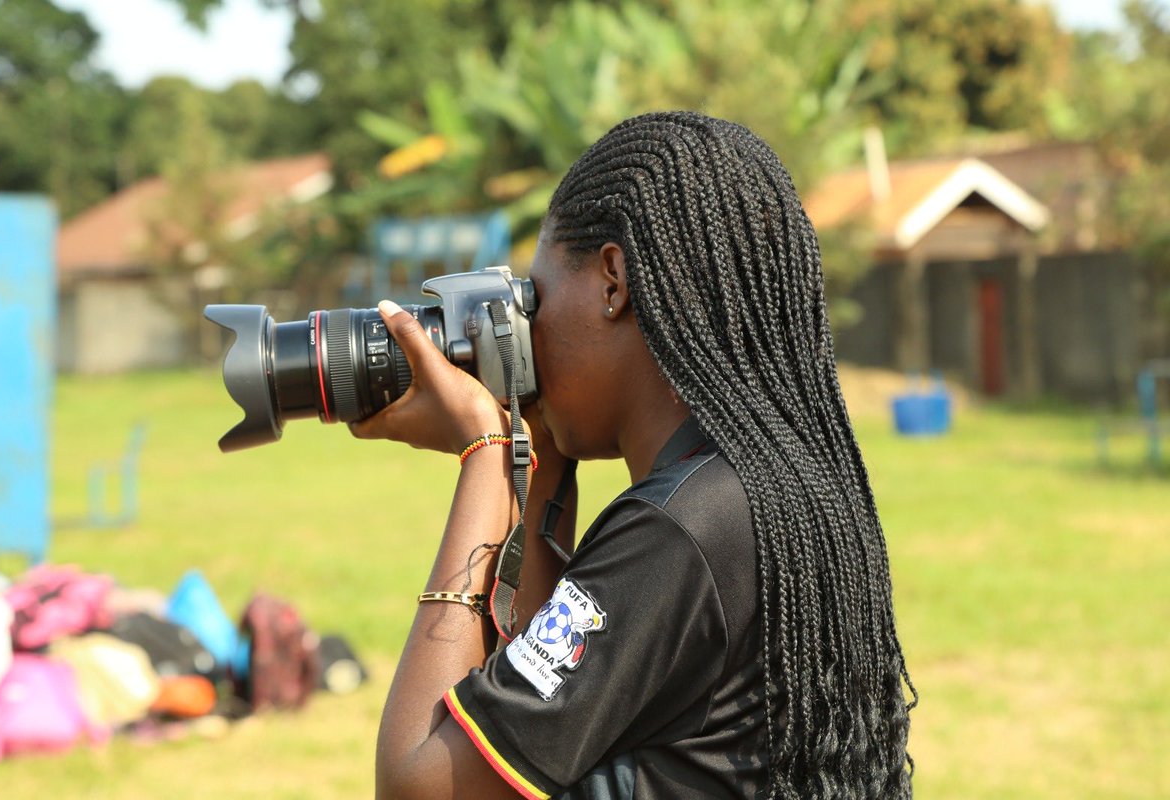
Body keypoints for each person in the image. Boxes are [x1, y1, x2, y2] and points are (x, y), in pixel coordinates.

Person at [351, 111, 915, 799]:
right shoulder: (765, 485)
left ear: (614, 281)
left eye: (538, 296)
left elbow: (419, 784)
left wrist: (486, 450)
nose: (529, 332)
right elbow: (538, 715)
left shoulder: (679, 529)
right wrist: (538, 461)